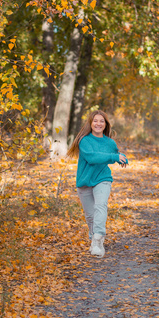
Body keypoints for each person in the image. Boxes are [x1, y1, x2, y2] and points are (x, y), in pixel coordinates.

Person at [67, 110, 128, 258]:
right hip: (85, 181)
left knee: (100, 205)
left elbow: (117, 154)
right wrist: (114, 157)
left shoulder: (109, 142)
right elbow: (92, 157)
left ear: (105, 124)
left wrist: (123, 158)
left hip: (103, 178)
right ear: (90, 123)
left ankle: (98, 239)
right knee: (90, 216)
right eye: (95, 121)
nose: (98, 123)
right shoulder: (85, 141)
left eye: (102, 121)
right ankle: (95, 238)